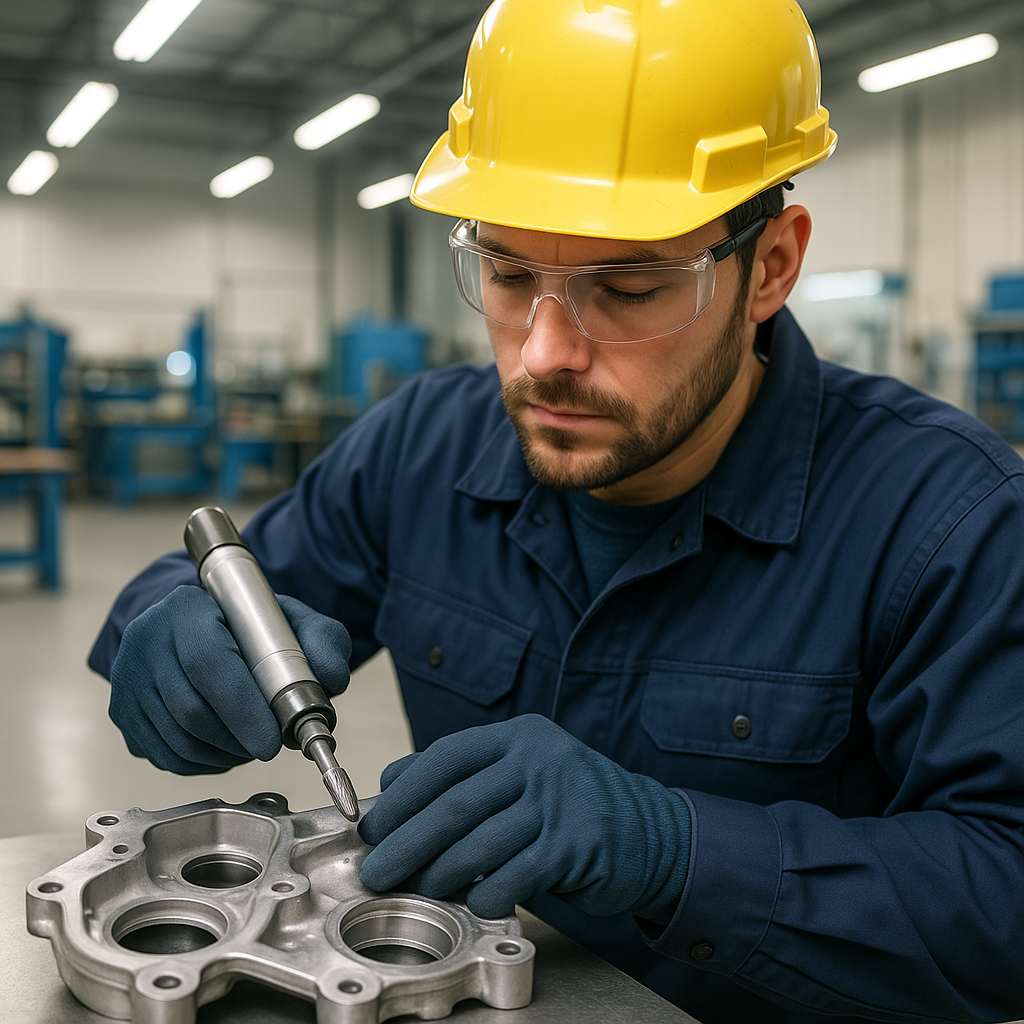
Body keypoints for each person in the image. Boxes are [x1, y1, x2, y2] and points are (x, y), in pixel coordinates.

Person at [89, 1, 1024, 1021]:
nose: (544, 352)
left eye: (626, 287)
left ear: (771, 267)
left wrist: (678, 851)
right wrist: (164, 634)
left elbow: (1006, 892)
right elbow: (204, 588)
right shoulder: (424, 445)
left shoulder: (947, 520)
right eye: (507, 273)